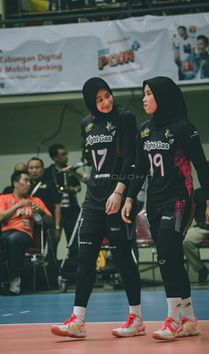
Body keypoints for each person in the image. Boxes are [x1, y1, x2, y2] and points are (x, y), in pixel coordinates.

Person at [121, 76, 209, 341]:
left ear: (162, 96)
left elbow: (201, 165)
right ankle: (189, 319)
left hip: (179, 199)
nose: (144, 98)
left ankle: (173, 320)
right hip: (154, 201)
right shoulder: (143, 130)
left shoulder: (183, 128)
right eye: (143, 93)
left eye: (148, 93)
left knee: (166, 253)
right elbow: (139, 170)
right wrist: (130, 199)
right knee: (171, 256)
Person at [51, 77, 145, 339]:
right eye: (99, 99)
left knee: (123, 258)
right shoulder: (86, 124)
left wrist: (119, 192)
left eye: (108, 95)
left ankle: (136, 318)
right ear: (90, 102)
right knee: (84, 258)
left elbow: (131, 159)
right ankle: (78, 320)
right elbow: (93, 160)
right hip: (93, 198)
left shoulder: (125, 117)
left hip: (117, 194)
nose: (106, 102)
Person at [0, 171, 52, 295]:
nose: (29, 184)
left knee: (13, 239)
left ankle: (14, 280)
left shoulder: (35, 200)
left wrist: (40, 211)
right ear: (15, 183)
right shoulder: (4, 198)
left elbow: (50, 221)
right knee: (6, 240)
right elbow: (1, 217)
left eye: (29, 181)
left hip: (25, 235)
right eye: (25, 181)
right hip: (5, 233)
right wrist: (17, 205)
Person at [44, 144, 82, 261]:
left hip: (72, 211)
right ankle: (52, 270)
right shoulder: (48, 172)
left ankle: (73, 271)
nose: (66, 157)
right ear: (55, 157)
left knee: (74, 242)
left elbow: (78, 186)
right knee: (53, 242)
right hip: (56, 212)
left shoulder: (70, 171)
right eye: (63, 154)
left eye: (66, 154)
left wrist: (72, 189)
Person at [27, 157, 61, 264]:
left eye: (37, 167)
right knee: (33, 253)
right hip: (31, 225)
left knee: (51, 252)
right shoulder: (25, 185)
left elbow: (57, 206)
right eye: (31, 168)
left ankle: (52, 278)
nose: (34, 170)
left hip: (48, 223)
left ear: (42, 169)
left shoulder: (50, 184)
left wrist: (57, 227)